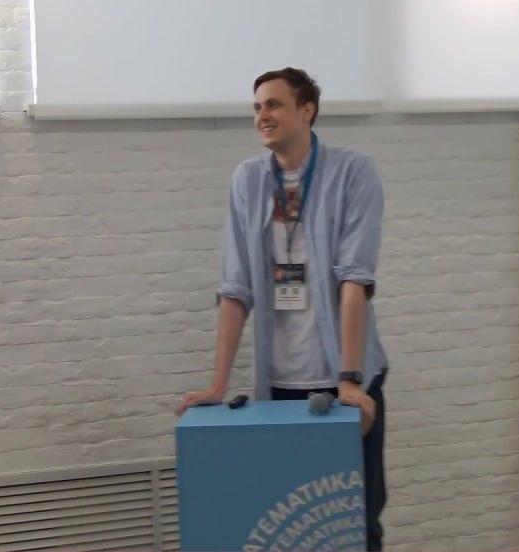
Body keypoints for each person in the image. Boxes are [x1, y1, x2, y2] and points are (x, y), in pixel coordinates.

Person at [175, 67, 390, 551]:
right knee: (289, 512)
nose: (262, 116)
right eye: (257, 108)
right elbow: (235, 288)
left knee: (355, 520)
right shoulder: (248, 180)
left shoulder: (353, 172)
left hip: (345, 380)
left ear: (307, 111)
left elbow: (354, 279)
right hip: (279, 386)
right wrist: (217, 385)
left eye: (273, 105)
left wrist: (349, 379)